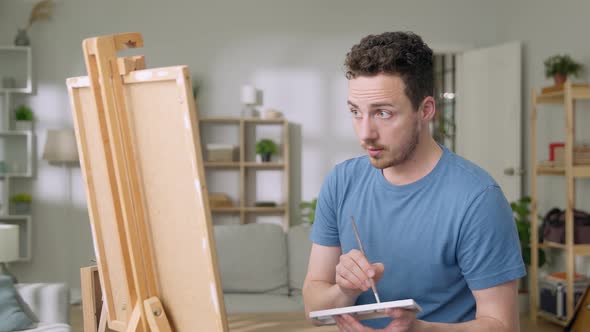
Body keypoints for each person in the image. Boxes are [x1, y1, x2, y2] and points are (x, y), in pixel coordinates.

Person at [302, 31, 525, 331]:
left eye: (383, 112)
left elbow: (502, 325)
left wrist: (422, 329)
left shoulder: (478, 199)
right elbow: (313, 306)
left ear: (426, 111)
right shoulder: (341, 183)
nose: (365, 132)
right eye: (356, 112)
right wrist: (346, 289)